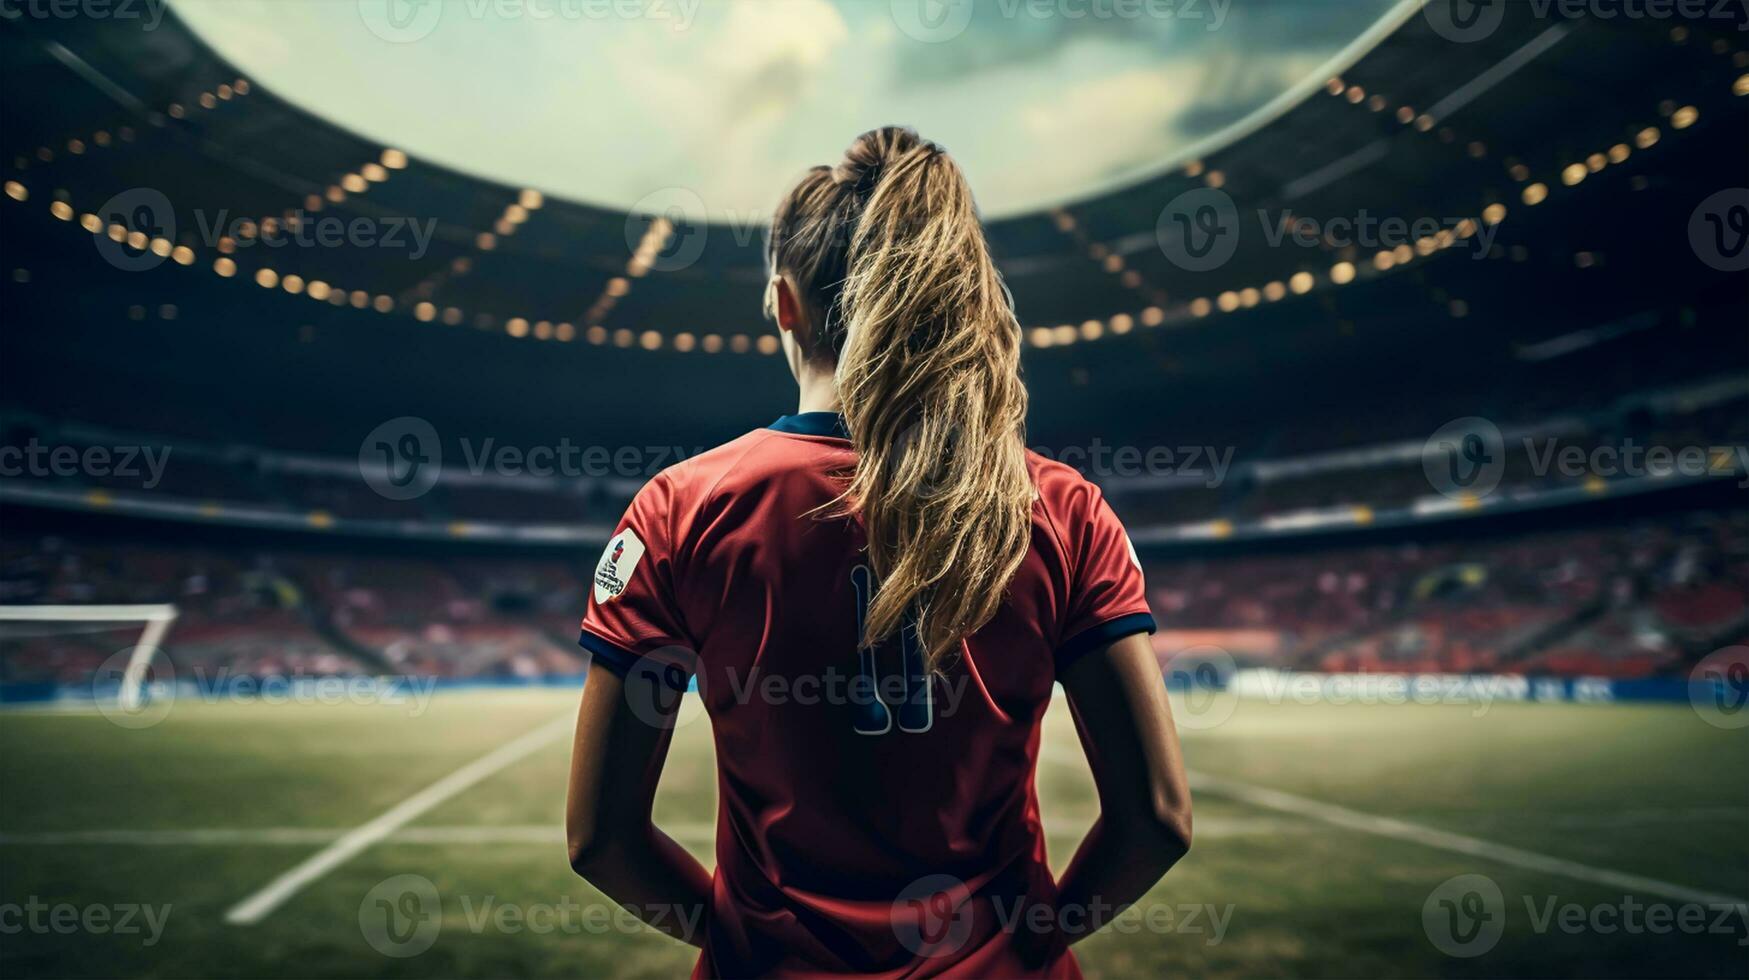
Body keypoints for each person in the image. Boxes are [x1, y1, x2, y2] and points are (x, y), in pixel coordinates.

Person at [567, 126, 1191, 978]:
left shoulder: (683, 507)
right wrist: (1026, 943)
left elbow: (599, 837)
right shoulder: (1058, 506)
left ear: (784, 303)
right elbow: (1156, 818)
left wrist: (742, 937)